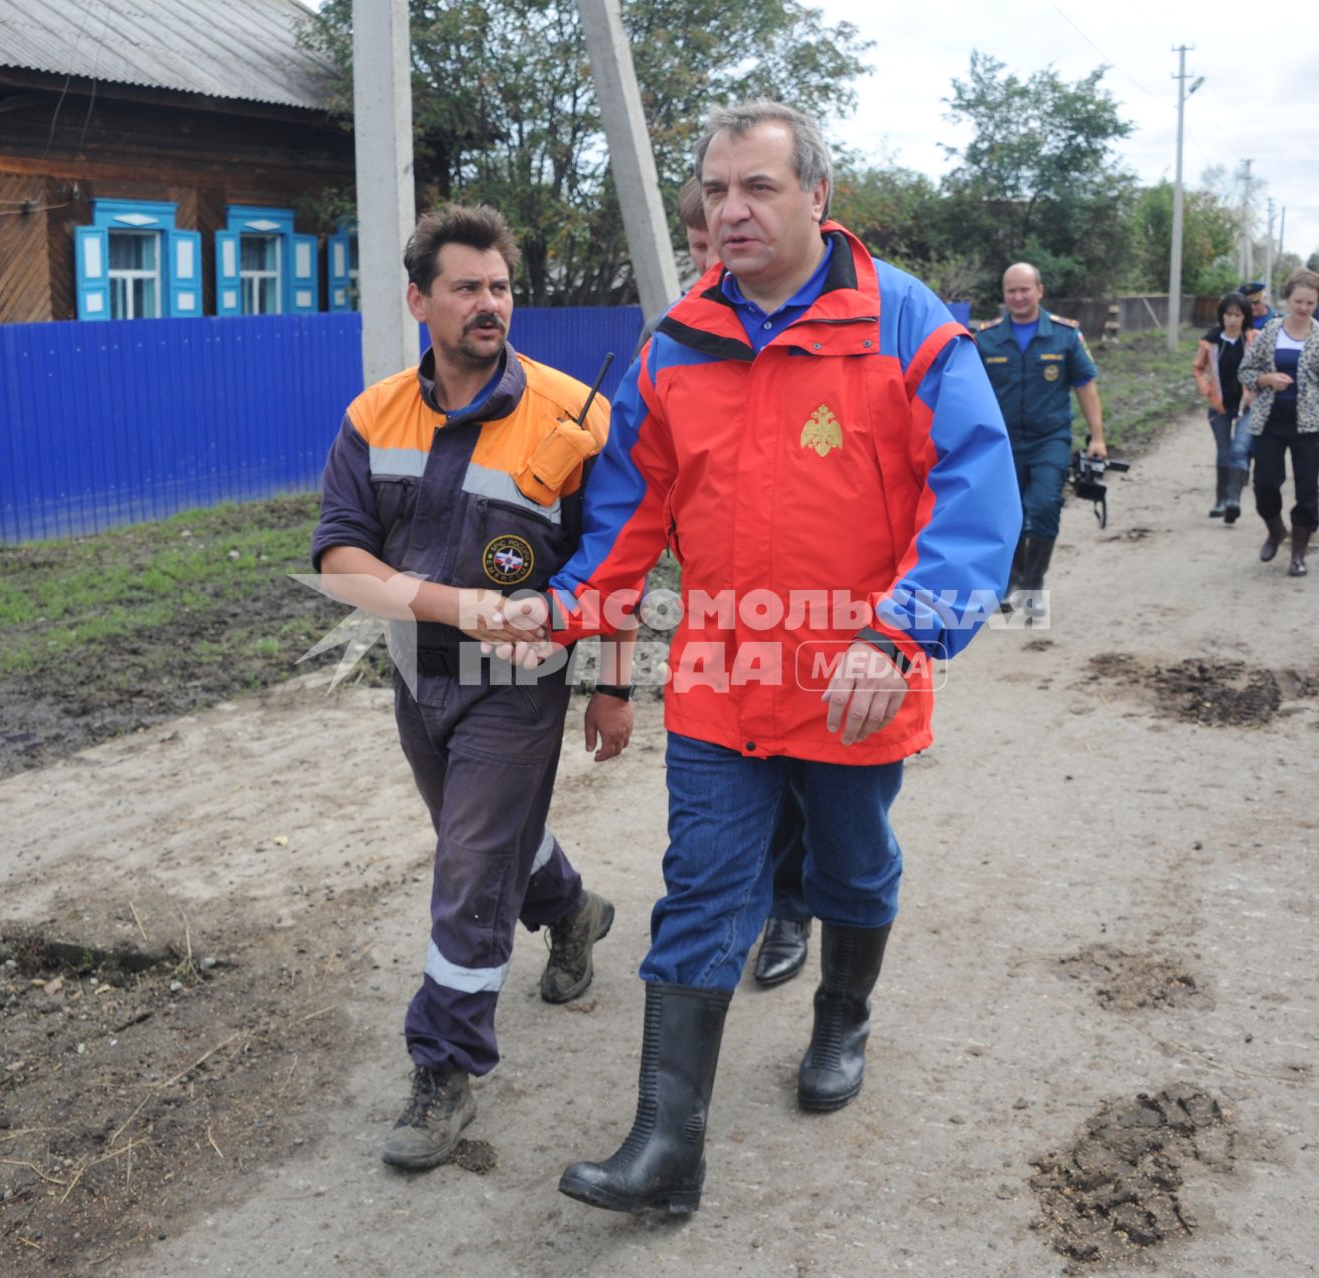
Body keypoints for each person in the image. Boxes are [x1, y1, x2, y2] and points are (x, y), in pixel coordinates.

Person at [492, 100, 1020, 1215]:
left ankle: (843, 1017)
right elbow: (627, 515)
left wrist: (903, 631)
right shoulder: (677, 343)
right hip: (722, 683)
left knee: (851, 868)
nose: (731, 211)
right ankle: (664, 1149)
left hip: (855, 681)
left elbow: (977, 495)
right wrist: (570, 616)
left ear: (818, 197)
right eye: (717, 191)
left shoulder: (906, 328)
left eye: (758, 188)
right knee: (701, 892)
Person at [309, 204, 630, 1171]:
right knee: (481, 847)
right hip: (422, 673)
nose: (489, 305)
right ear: (420, 300)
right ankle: (570, 911)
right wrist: (449, 606)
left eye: (499, 287)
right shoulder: (375, 414)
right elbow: (337, 555)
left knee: (466, 873)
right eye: (466, 288)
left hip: (521, 683)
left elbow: (615, 566)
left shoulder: (577, 414)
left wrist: (613, 687)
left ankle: (445, 1070)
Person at [675, 172, 812, 987]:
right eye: (695, 244)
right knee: (731, 783)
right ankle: (745, 907)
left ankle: (792, 908)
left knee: (799, 781)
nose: (709, 258)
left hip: (816, 609)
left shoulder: (820, 316)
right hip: (722, 613)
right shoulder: (687, 331)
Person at [974, 263, 1106, 620]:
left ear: (1040, 291)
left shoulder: (1065, 336)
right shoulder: (985, 339)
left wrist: (1097, 436)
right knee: (1008, 513)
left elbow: (1085, 385)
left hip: (1050, 438)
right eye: (1011, 291)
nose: (1018, 297)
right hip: (1002, 443)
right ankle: (1012, 581)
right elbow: (969, 391)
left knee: (1045, 505)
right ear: (1003, 295)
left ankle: (1032, 583)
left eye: (1025, 290)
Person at [1237, 269, 1319, 576]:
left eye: (1310, 303)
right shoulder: (1269, 333)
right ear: (1288, 300)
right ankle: (1275, 531)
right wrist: (1267, 379)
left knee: (1306, 490)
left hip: (1308, 425)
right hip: (1271, 420)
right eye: (1298, 301)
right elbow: (1246, 371)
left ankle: (1299, 553)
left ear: (1317, 303)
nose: (1303, 308)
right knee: (1265, 484)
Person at [1192, 293, 1255, 521]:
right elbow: (1197, 367)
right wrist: (1206, 388)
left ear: (1245, 317)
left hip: (1246, 406)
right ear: (1222, 316)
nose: (1232, 320)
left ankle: (1233, 500)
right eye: (1228, 314)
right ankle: (1220, 500)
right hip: (1219, 406)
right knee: (1224, 451)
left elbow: (1265, 365)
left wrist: (1256, 390)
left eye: (1238, 315)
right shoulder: (1211, 341)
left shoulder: (1253, 340)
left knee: (1239, 449)